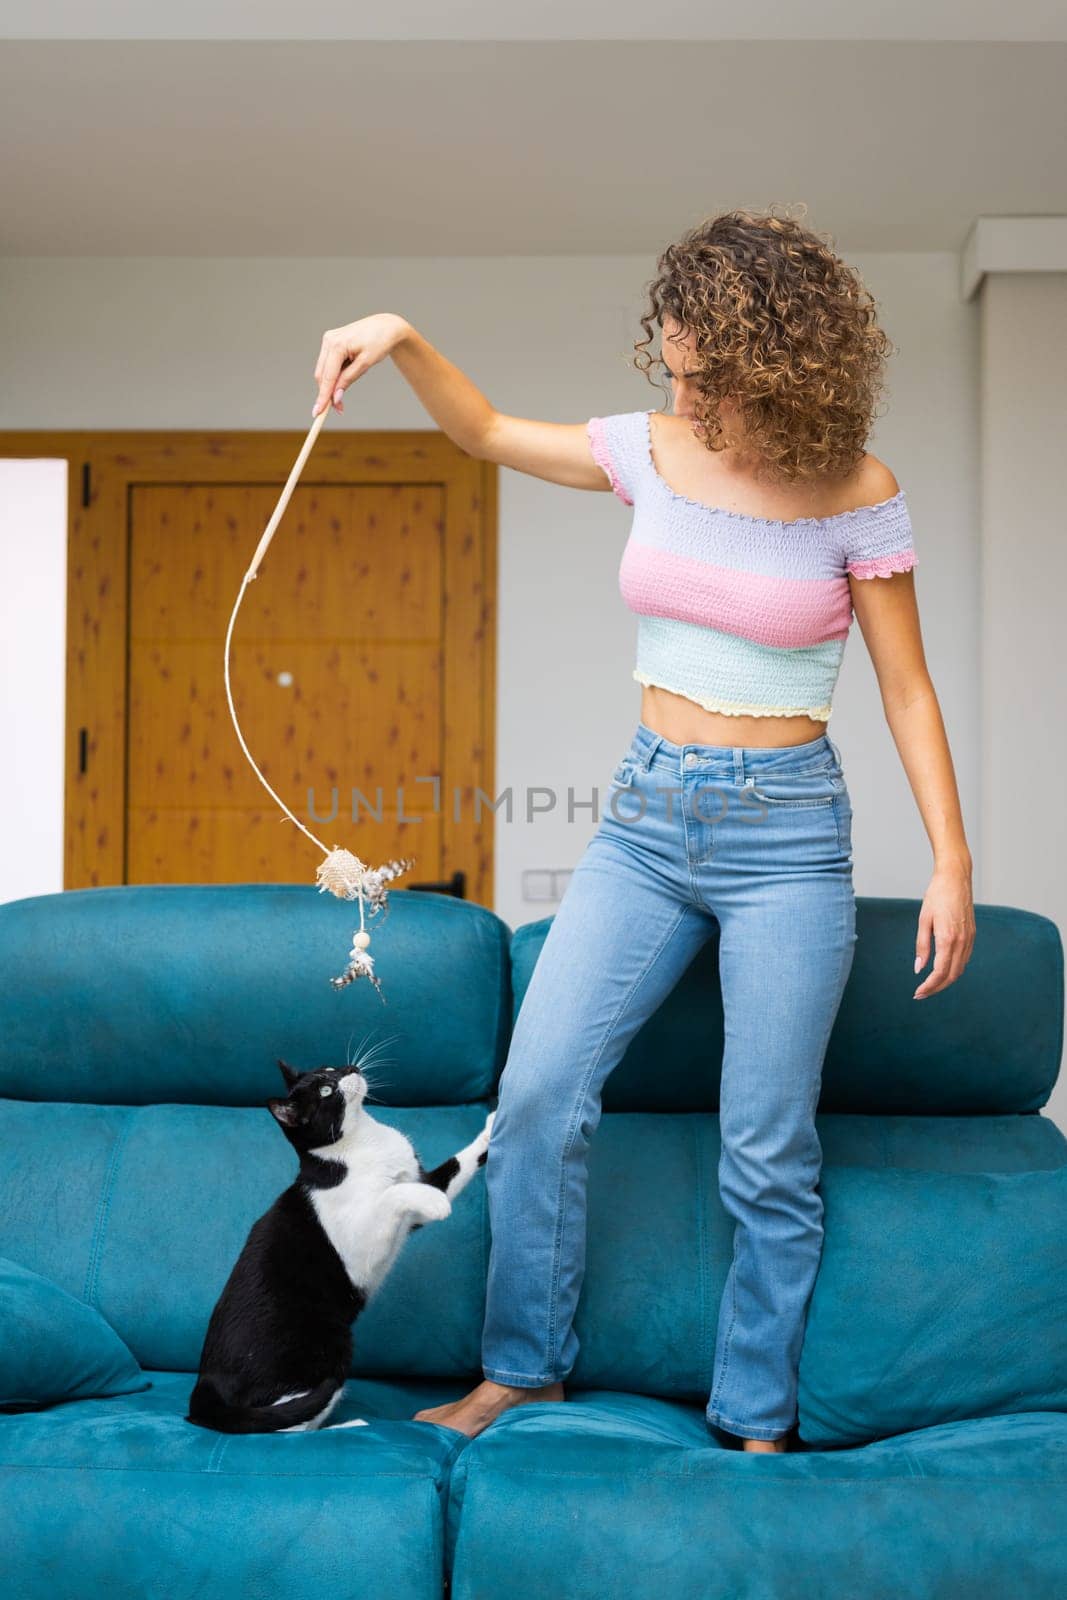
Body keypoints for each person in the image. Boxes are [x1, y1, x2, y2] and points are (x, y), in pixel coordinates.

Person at [311, 207, 976, 1453]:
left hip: (787, 839)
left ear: (771, 353)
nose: (677, 375)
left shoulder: (855, 493)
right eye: (669, 352)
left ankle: (754, 1417)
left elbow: (904, 688)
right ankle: (522, 1370)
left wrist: (949, 857)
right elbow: (488, 430)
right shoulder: (645, 450)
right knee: (542, 1085)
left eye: (699, 356)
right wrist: (397, 334)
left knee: (766, 1142)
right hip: (645, 820)